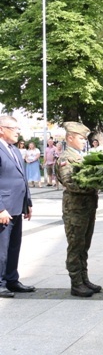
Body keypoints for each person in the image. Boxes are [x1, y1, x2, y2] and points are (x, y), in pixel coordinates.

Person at [55, 121, 102, 298]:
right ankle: (76, 283)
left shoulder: (81, 157)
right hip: (75, 209)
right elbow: (71, 183)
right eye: (81, 138)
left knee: (84, 245)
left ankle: (84, 278)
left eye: (85, 138)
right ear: (70, 138)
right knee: (76, 246)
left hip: (87, 207)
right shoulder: (66, 159)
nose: (85, 141)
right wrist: (94, 184)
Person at [0, 116, 35, 298]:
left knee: (14, 246)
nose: (17, 132)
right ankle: (0, 283)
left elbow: (22, 178)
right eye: (13, 128)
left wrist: (27, 202)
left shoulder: (13, 149)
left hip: (17, 206)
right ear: (1, 129)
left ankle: (12, 280)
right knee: (1, 248)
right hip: (4, 208)